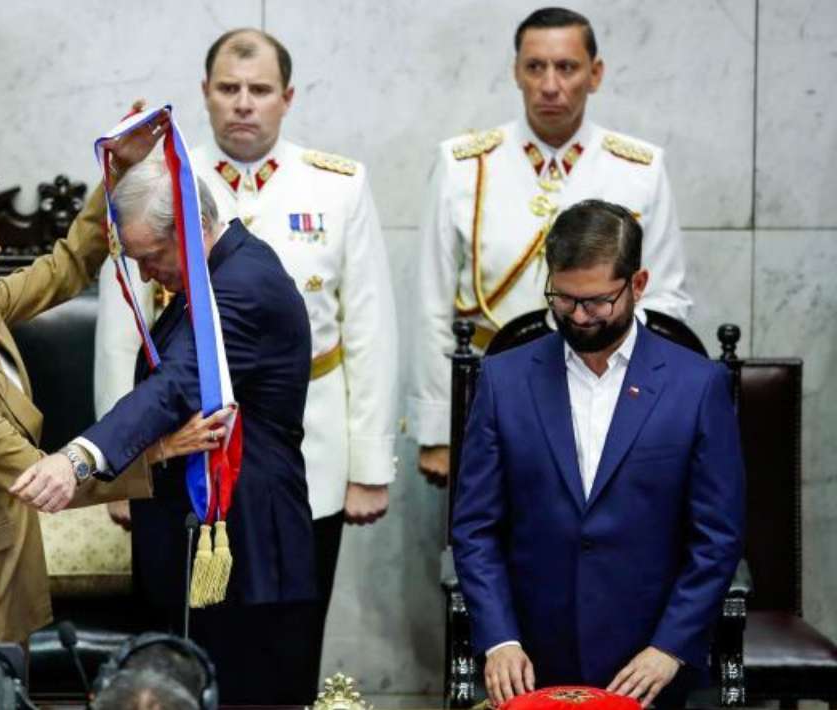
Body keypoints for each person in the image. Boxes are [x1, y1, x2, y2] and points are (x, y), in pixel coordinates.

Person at [0, 118, 212, 707]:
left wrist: (117, 170)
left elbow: (68, 264)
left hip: (5, 558)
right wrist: (156, 451)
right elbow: (38, 478)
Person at [94, 28, 398, 683]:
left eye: (259, 90)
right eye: (228, 89)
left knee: (286, 636)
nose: (242, 103)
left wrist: (370, 464)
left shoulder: (338, 186)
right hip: (178, 452)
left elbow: (369, 326)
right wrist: (123, 474)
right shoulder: (166, 178)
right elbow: (125, 326)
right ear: (204, 94)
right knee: (183, 635)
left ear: (287, 98)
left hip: (304, 449)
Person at [15, 155, 317, 704]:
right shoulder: (215, 275)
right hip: (202, 546)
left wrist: (79, 457)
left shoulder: (243, 285)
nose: (148, 274)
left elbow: (175, 385)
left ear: (192, 226)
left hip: (245, 556)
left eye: (151, 258)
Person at [450, 200, 744, 708]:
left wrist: (670, 646)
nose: (580, 317)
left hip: (649, 663)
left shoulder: (697, 386)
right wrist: (500, 639)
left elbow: (717, 536)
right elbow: (475, 527)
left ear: (638, 283)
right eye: (563, 300)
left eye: (597, 301)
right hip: (530, 661)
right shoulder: (503, 380)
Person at [410, 7, 693, 484]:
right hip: (491, 396)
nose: (550, 84)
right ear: (516, 73)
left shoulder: (640, 169)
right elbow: (432, 303)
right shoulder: (464, 165)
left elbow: (665, 300)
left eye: (567, 67)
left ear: (595, 74)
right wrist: (440, 429)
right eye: (535, 67)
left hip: (607, 395)